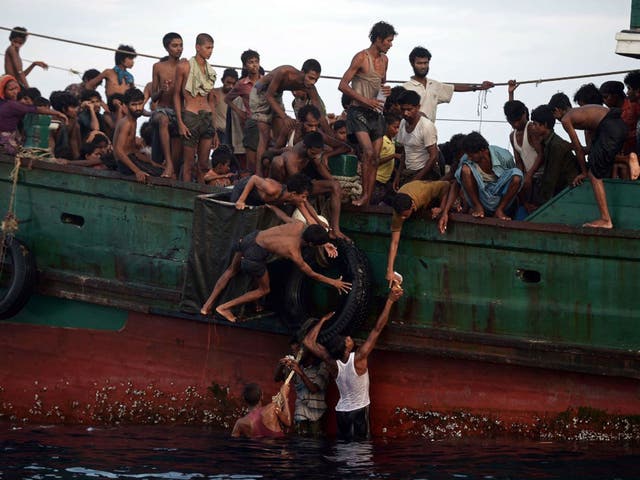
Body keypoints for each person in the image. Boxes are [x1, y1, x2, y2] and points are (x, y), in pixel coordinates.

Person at [200, 212, 351, 322]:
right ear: (311, 245)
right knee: (264, 290)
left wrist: (325, 243)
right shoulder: (294, 252)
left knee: (230, 271)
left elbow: (288, 218)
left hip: (249, 239)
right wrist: (334, 282)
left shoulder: (299, 225)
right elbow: (312, 274)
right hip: (255, 255)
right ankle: (225, 307)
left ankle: (206, 307)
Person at [303, 285, 404, 441]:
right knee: (361, 451)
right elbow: (377, 329)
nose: (349, 338)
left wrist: (322, 321)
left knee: (344, 449)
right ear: (345, 349)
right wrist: (390, 301)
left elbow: (308, 342)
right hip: (359, 411)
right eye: (347, 340)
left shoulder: (331, 362)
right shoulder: (359, 358)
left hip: (341, 412)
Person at [548, 92, 640, 228]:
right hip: (618, 125)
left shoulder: (566, 119)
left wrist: (584, 172)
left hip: (609, 128)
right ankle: (626, 159)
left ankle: (606, 219)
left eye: (554, 115)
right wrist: (586, 150)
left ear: (557, 110)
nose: (555, 119)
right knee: (596, 158)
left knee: (594, 175)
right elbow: (592, 144)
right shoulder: (581, 111)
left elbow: (578, 149)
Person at [339, 21, 397, 207]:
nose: (390, 44)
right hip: (358, 111)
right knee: (368, 152)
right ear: (378, 39)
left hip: (376, 112)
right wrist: (366, 100)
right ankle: (364, 194)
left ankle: (368, 197)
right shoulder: (361, 58)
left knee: (376, 157)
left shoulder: (385, 60)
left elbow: (381, 84)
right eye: (388, 41)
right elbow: (342, 85)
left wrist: (384, 92)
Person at [268, 132, 349, 240]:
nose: (315, 156)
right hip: (288, 187)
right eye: (313, 153)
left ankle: (336, 230)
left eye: (317, 154)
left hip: (303, 183)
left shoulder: (314, 151)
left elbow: (321, 167)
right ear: (305, 147)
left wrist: (337, 187)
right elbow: (299, 189)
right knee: (277, 162)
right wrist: (316, 220)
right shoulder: (291, 157)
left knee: (335, 186)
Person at [250, 60, 324, 176]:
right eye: (310, 78)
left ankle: (275, 171)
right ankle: (258, 174)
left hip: (276, 95)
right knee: (264, 135)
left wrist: (330, 134)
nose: (312, 82)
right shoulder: (285, 72)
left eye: (316, 80)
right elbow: (269, 96)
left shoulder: (310, 87)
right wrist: (284, 116)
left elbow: (319, 113)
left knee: (280, 132)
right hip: (262, 91)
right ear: (302, 72)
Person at [402, 46, 493, 123]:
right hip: (410, 134)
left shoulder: (434, 85)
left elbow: (454, 88)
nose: (423, 66)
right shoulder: (405, 88)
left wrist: (480, 87)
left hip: (429, 133)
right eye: (419, 63)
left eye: (426, 63)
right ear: (412, 64)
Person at [385, 179, 449, 286]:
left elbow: (446, 185)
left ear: (412, 207)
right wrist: (390, 270)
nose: (402, 218)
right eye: (401, 216)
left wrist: (441, 208)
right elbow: (394, 243)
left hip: (427, 189)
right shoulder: (398, 214)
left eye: (405, 215)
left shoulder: (424, 192)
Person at [174, 33, 219, 183]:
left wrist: (215, 129)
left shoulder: (210, 72)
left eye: (212, 48)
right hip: (190, 115)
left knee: (204, 165)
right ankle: (186, 195)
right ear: (198, 47)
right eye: (208, 47)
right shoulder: (184, 66)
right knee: (188, 164)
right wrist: (180, 122)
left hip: (206, 117)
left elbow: (211, 100)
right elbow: (176, 95)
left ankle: (199, 195)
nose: (210, 51)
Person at [454, 131, 523, 221]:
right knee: (465, 169)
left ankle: (499, 210)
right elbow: (457, 183)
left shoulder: (504, 156)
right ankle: (478, 207)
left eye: (471, 155)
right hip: (482, 198)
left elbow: (514, 182)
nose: (469, 158)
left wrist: (524, 203)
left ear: (482, 150)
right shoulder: (466, 159)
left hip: (500, 197)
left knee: (517, 174)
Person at [275, 340, 329, 437]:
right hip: (300, 415)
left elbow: (314, 389)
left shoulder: (322, 367)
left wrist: (300, 372)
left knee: (315, 446)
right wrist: (281, 365)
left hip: (317, 416)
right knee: (300, 446)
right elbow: (277, 379)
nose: (295, 355)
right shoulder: (296, 368)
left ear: (308, 351)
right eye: (293, 352)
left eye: (298, 351)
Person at [0, 75, 66, 155]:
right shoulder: (12, 105)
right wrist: (58, 113)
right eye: (11, 90)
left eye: (16, 88)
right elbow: (36, 109)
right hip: (4, 140)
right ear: (4, 91)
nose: (15, 92)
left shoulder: (6, 103)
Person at [529, 104, 580, 204]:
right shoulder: (547, 142)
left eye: (535, 124)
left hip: (568, 189)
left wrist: (542, 204)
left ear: (545, 125)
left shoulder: (555, 145)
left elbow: (551, 177)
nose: (533, 127)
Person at [150, 32, 184, 179]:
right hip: (162, 110)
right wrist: (162, 90)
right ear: (166, 47)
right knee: (163, 120)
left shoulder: (185, 66)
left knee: (177, 147)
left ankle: (173, 169)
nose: (179, 49)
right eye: (175, 45)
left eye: (181, 45)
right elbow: (153, 97)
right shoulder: (158, 67)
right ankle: (169, 164)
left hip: (179, 112)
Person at [113, 88, 163, 182]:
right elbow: (119, 150)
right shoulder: (126, 123)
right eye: (134, 105)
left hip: (132, 158)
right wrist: (137, 171)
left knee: (162, 170)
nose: (138, 108)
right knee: (162, 175)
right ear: (127, 106)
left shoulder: (133, 119)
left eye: (140, 104)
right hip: (125, 164)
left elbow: (133, 150)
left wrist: (151, 162)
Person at [225, 49, 263, 172]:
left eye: (256, 61)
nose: (254, 65)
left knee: (264, 158)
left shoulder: (266, 81)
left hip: (266, 123)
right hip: (251, 123)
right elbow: (228, 99)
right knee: (251, 161)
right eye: (251, 62)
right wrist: (239, 112)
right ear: (245, 65)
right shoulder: (241, 84)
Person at [394, 90, 440, 188]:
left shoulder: (426, 126)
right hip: (409, 172)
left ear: (418, 107)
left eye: (409, 109)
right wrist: (397, 176)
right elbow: (405, 152)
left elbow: (433, 157)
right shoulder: (403, 123)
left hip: (426, 173)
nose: (405, 113)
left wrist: (416, 180)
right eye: (402, 109)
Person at [503, 99, 542, 209]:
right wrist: (521, 178)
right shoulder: (512, 136)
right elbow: (519, 162)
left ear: (524, 114)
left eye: (518, 120)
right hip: (528, 176)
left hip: (540, 174)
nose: (516, 124)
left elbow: (540, 154)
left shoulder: (531, 129)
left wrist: (529, 175)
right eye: (512, 122)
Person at [372, 113, 400, 205]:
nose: (397, 130)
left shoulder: (392, 141)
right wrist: (393, 156)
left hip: (385, 181)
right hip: (376, 179)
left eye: (398, 128)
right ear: (387, 126)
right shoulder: (381, 140)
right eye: (395, 127)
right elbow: (374, 161)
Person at [212, 68, 238, 146]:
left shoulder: (237, 97)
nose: (231, 86)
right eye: (228, 82)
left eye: (233, 84)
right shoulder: (215, 93)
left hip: (232, 133)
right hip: (217, 131)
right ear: (222, 80)